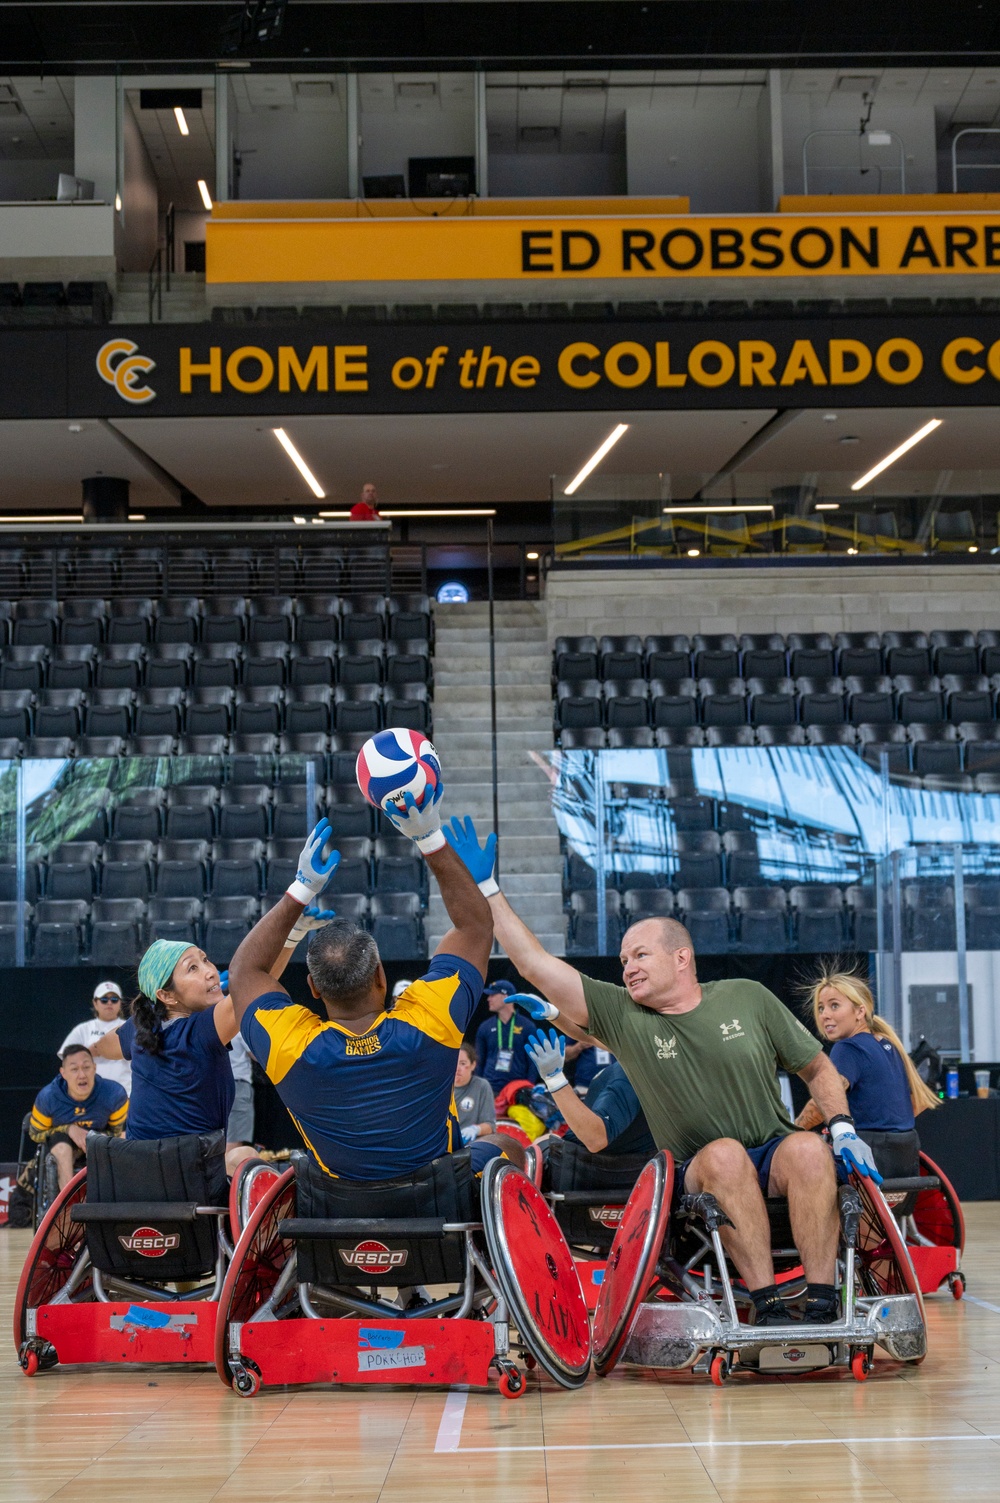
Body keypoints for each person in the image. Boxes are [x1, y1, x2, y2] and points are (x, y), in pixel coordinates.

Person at [444, 814, 881, 1328]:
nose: (627, 966)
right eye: (625, 958)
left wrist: (844, 1128)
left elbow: (818, 1068)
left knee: (810, 1148)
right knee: (724, 1155)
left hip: (773, 1152)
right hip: (700, 1166)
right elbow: (534, 963)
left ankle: (823, 1304)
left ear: (682, 958)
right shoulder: (624, 1016)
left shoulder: (747, 996)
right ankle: (766, 1309)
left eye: (640, 954)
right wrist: (490, 889)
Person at [227, 795, 525, 1184]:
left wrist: (301, 890)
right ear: (381, 977)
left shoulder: (290, 1043)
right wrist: (428, 836)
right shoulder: (429, 1018)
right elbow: (475, 928)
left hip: (340, 1206)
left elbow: (243, 971)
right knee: (511, 1145)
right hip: (437, 1195)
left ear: (313, 989)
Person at [92, 900, 334, 1179]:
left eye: (204, 960)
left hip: (138, 1175)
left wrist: (91, 1049)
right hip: (191, 1178)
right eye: (191, 968)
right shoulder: (199, 1032)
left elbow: (107, 1045)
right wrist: (291, 935)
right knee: (245, 1155)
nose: (208, 970)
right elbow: (256, 983)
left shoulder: (139, 1029)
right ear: (167, 996)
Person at [796, 968, 939, 1179]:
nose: (825, 1014)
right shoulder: (888, 1045)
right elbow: (916, 1103)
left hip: (868, 1159)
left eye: (834, 1005)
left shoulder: (848, 1048)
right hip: (904, 1158)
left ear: (860, 1011)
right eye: (820, 1008)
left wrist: (792, 1130)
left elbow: (826, 1099)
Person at [525, 1029, 655, 1157]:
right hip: (612, 1148)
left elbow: (595, 1139)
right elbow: (590, 1036)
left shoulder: (624, 1078)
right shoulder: (635, 1071)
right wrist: (553, 1015)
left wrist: (554, 1079)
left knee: (537, 1146)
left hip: (588, 1156)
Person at [29, 1045, 128, 1189]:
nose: (82, 1075)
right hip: (62, 1146)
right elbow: (35, 1133)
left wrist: (94, 1138)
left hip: (99, 1145)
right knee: (62, 1148)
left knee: (126, 1138)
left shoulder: (114, 1094)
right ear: (63, 1073)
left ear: (94, 1068)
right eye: (74, 1069)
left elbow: (120, 1133)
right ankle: (69, 1206)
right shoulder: (48, 1097)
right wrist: (68, 1129)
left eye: (86, 1067)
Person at [59, 980, 132, 1095]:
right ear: (95, 1003)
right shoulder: (83, 1029)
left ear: (120, 1003)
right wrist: (89, 1052)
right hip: (92, 1096)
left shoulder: (129, 1026)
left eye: (114, 1000)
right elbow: (66, 1057)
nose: (109, 1003)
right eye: (104, 1000)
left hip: (125, 1092)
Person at [474, 979, 539, 1095]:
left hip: (518, 1089)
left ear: (506, 996)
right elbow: (479, 1061)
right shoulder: (485, 1027)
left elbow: (534, 1062)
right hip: (490, 1088)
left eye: (493, 995)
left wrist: (529, 1088)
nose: (488, 999)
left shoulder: (527, 1026)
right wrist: (478, 1088)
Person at [454, 1041, 497, 1146]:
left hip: (470, 1146)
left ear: (473, 1065)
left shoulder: (481, 1086)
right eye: (454, 1062)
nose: (457, 1068)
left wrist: (476, 1129)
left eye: (463, 1063)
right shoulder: (442, 1086)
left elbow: (490, 1126)